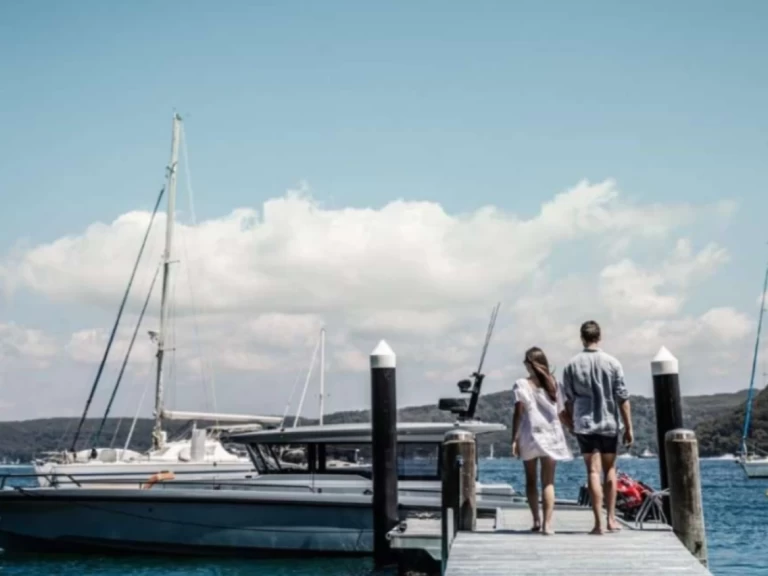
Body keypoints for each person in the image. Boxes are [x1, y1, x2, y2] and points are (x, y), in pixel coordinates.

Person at [562, 320, 633, 535]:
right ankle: (611, 519)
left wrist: (570, 423)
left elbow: (568, 399)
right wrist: (629, 427)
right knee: (610, 470)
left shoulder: (572, 365)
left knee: (592, 471)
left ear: (582, 338)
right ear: (599, 337)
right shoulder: (613, 363)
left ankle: (597, 523)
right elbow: (622, 397)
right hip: (609, 422)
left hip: (585, 424)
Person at [511, 346, 572, 535]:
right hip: (552, 435)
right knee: (548, 482)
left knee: (530, 480)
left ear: (531, 364)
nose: (523, 364)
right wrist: (572, 428)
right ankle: (547, 525)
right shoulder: (554, 384)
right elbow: (562, 413)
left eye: (525, 361)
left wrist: (514, 438)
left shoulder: (521, 384)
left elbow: (518, 412)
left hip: (530, 434)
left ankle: (536, 520)